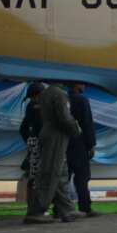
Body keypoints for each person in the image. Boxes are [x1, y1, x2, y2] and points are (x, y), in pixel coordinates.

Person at [24, 82, 81, 224]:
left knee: (60, 173)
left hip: (48, 133)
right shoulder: (59, 94)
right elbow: (64, 117)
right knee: (51, 172)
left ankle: (67, 209)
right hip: (57, 135)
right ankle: (36, 211)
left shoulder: (47, 93)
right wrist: (75, 129)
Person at [66, 83, 99, 217]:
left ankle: (59, 208)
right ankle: (85, 207)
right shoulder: (82, 100)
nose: (84, 86)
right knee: (82, 177)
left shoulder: (64, 99)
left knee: (64, 177)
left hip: (65, 144)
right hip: (79, 144)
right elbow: (87, 122)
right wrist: (90, 144)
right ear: (78, 85)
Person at [18, 82, 45, 205]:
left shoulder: (31, 106)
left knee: (34, 176)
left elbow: (23, 128)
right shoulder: (36, 107)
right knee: (37, 177)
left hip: (34, 143)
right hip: (39, 144)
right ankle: (35, 208)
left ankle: (33, 207)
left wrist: (29, 141)